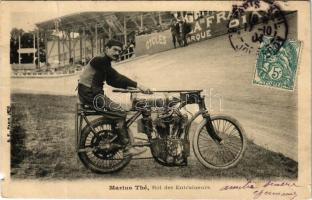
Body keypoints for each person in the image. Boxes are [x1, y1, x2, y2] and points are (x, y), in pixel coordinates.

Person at [78, 39, 151, 156]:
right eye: (115, 50)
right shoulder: (100, 60)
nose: (117, 53)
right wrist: (138, 85)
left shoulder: (104, 62)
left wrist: (130, 86)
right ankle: (127, 148)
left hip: (91, 94)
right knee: (119, 112)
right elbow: (116, 77)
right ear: (106, 48)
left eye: (119, 51)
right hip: (91, 95)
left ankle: (120, 138)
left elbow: (112, 80)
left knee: (118, 110)